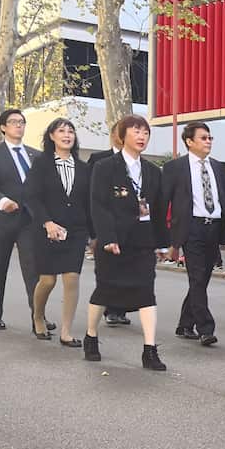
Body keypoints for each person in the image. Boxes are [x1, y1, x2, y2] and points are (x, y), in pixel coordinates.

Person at [83, 115, 169, 371]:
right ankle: (91, 336)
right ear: (122, 136)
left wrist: (163, 243)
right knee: (105, 291)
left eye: (145, 132)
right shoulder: (105, 166)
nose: (142, 136)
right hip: (114, 243)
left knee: (146, 293)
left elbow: (160, 207)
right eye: (136, 131)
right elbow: (98, 205)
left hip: (142, 243)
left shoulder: (153, 171)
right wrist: (107, 238)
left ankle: (150, 350)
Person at [164, 121, 225, 347]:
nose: (208, 141)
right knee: (197, 277)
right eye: (203, 138)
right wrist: (167, 240)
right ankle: (205, 328)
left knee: (202, 278)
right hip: (192, 228)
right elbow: (163, 201)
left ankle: (185, 323)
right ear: (190, 142)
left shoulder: (217, 167)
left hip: (214, 227)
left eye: (210, 138)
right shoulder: (175, 168)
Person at [24, 118, 91, 346]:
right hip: (47, 230)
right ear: (51, 136)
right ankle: (38, 316)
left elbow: (89, 202)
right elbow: (31, 196)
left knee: (72, 277)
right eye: (61, 131)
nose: (67, 135)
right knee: (48, 280)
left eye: (71, 131)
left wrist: (94, 233)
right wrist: (47, 222)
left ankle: (66, 332)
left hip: (76, 230)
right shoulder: (41, 164)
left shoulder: (84, 167)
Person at [0, 108, 46, 329]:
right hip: (3, 218)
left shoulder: (35, 154)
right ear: (3, 127)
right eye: (14, 122)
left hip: (30, 220)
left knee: (33, 270)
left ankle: (38, 316)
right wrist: (2, 200)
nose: (19, 125)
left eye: (22, 122)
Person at [88, 123, 133, 328]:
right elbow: (90, 196)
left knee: (125, 268)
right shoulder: (98, 160)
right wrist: (93, 230)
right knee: (106, 270)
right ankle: (109, 309)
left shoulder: (136, 162)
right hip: (104, 224)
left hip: (130, 226)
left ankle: (120, 308)